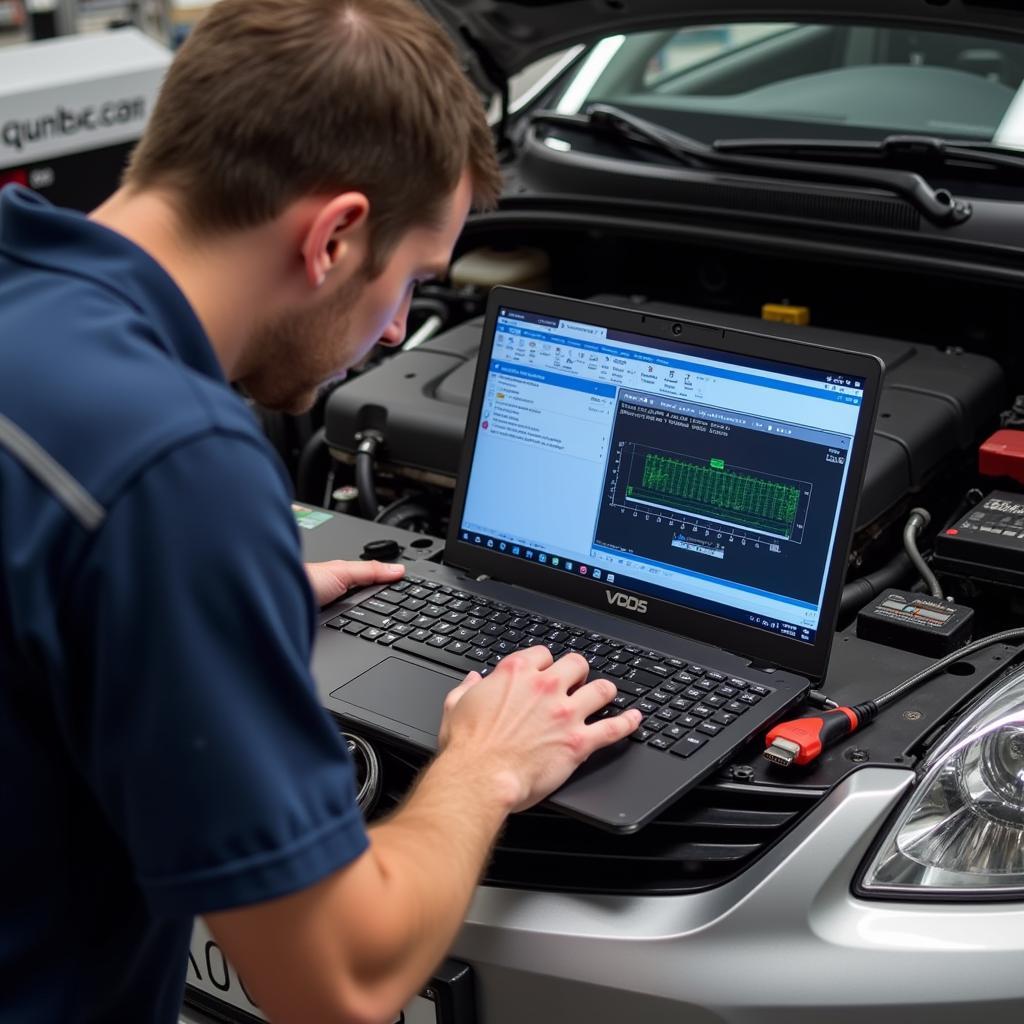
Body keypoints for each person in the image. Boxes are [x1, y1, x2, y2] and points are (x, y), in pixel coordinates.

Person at [0, 1, 642, 1022]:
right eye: (411, 283)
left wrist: (188, 598)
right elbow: (337, 980)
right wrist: (487, 762)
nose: (395, 332)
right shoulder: (176, 467)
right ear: (336, 236)